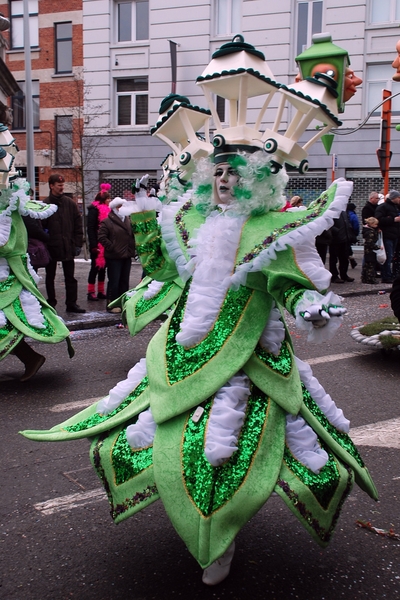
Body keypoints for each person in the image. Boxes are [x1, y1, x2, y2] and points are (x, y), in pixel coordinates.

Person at [22, 148, 377, 586]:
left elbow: (289, 286)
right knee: (154, 440)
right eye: (219, 171)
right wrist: (147, 222)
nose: (224, 180)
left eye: (235, 173)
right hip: (183, 351)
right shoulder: (190, 218)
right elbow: (163, 269)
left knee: (228, 450)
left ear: (261, 182)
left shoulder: (275, 228)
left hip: (250, 357)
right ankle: (200, 522)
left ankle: (219, 537)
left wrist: (310, 305)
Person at [1, 179, 74, 381]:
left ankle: (31, 358)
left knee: (11, 322)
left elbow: (6, 245)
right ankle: (30, 358)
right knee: (9, 324)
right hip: (8, 275)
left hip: (8, 276)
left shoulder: (9, 210)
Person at [43, 174, 86, 313]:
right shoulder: (45, 204)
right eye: (59, 185)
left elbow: (77, 225)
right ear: (51, 186)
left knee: (71, 278)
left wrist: (78, 243)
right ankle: (51, 304)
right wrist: (46, 242)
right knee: (50, 277)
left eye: (62, 185)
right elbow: (41, 226)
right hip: (51, 247)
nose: (62, 188)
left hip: (68, 245)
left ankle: (71, 304)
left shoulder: (69, 203)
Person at [98, 197, 136, 313]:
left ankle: (123, 302)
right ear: (114, 208)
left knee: (124, 281)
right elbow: (102, 237)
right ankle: (112, 303)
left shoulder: (127, 220)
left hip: (126, 255)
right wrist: (112, 247)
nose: (122, 209)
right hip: (114, 257)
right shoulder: (107, 221)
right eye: (120, 207)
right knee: (114, 281)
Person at [86, 183, 111, 301]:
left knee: (103, 268)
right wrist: (94, 245)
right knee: (94, 268)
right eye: (108, 199)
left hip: (105, 244)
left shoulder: (108, 210)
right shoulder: (94, 210)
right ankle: (90, 291)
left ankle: (101, 291)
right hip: (96, 244)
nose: (109, 200)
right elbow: (90, 228)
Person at [375, 189, 400, 283]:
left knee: (391, 256)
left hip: (394, 235)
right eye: (398, 197)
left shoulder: (395, 207)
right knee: (387, 257)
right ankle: (386, 276)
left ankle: (389, 275)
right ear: (394, 198)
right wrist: (393, 220)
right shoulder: (383, 207)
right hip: (387, 235)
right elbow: (378, 219)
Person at [328, 210, 355, 283]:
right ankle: (334, 276)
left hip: (345, 238)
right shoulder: (332, 212)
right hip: (335, 239)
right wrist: (336, 231)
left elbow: (347, 223)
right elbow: (328, 223)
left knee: (344, 259)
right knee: (334, 259)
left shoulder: (343, 212)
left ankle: (344, 274)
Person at [361, 217, 380, 284]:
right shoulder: (371, 232)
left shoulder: (366, 230)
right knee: (371, 265)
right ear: (371, 224)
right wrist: (377, 247)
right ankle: (370, 279)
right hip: (370, 250)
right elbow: (370, 243)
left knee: (367, 264)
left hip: (367, 250)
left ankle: (365, 278)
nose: (376, 226)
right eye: (375, 224)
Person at [346, 201, 359, 268]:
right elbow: (356, 225)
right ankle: (352, 260)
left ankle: (352, 260)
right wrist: (355, 234)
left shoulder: (344, 214)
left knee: (347, 248)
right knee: (348, 248)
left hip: (344, 234)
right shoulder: (353, 216)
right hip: (350, 235)